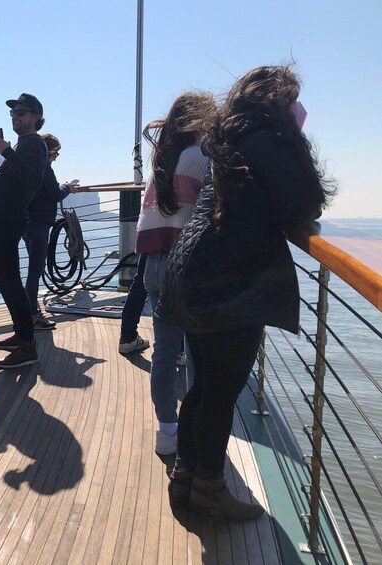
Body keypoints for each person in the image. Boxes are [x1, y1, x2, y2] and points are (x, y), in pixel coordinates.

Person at [158, 66, 333, 519]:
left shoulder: (231, 136)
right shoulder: (270, 140)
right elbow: (303, 204)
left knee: (204, 387)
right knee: (220, 392)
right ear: (280, 102)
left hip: (194, 270)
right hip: (226, 282)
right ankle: (210, 493)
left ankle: (186, 480)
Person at [134, 92, 216, 456]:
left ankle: (167, 433)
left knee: (165, 352)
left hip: (152, 264)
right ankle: (197, 435)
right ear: (199, 121)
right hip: (185, 265)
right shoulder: (201, 159)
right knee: (197, 352)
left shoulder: (161, 163)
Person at [0, 93, 48, 369]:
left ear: (35, 117)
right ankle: (22, 333)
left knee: (8, 280)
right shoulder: (23, 146)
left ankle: (27, 344)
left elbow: (33, 180)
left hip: (8, 220)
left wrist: (6, 152)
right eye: (13, 113)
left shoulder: (34, 144)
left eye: (21, 112)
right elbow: (15, 180)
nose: (15, 117)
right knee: (1, 278)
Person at [23, 133, 78, 330]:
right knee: (35, 271)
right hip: (39, 224)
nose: (55, 158)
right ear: (49, 152)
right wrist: (67, 188)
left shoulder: (29, 166)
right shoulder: (45, 167)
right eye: (55, 154)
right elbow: (54, 194)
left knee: (32, 270)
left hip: (26, 222)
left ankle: (29, 310)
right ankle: (32, 315)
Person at [117, 254, 150, 354]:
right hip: (174, 242)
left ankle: (128, 338)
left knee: (140, 281)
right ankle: (181, 350)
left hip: (148, 242)